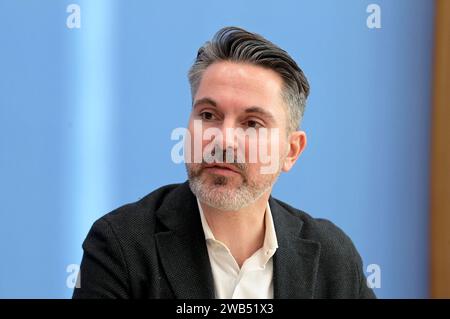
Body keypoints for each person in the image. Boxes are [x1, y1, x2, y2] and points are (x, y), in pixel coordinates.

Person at [73, 26, 376, 299]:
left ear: (291, 151)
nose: (223, 141)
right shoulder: (121, 244)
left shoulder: (333, 259)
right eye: (208, 115)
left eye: (252, 123)